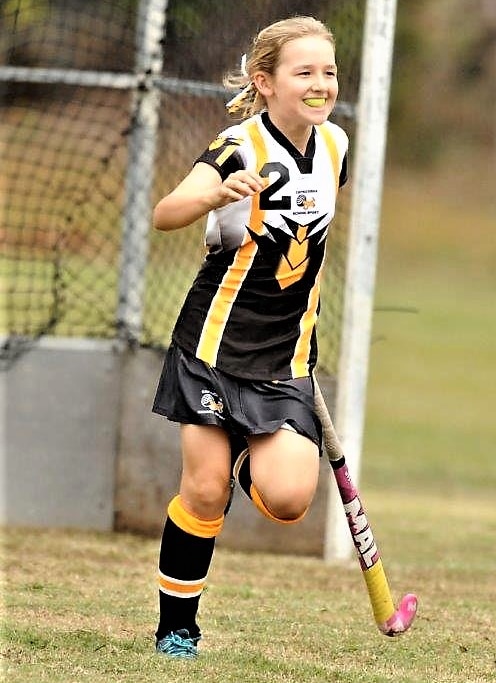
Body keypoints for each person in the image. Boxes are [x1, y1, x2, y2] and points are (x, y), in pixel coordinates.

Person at [151, 15, 349, 659]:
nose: (320, 84)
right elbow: (165, 214)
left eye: (329, 72)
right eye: (305, 73)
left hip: (285, 356)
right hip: (213, 344)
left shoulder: (336, 147)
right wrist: (216, 197)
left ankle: (245, 452)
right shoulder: (238, 145)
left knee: (289, 499)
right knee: (204, 492)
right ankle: (177, 627)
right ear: (265, 82)